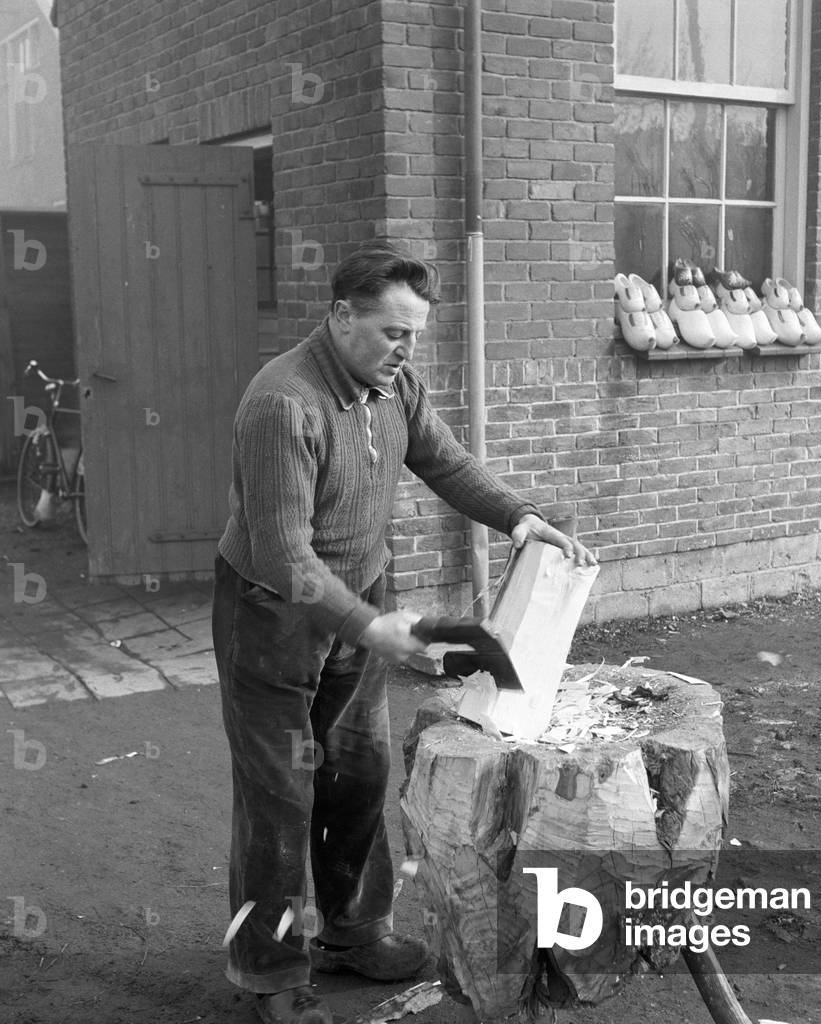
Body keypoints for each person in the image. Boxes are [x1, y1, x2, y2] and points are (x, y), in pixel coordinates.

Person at [211, 240, 597, 1024]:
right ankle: (270, 972)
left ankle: (353, 932)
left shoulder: (394, 386)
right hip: (270, 613)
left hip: (360, 595)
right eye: (393, 332)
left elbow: (445, 461)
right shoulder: (283, 404)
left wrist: (520, 518)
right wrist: (367, 626)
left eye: (414, 334)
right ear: (340, 315)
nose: (405, 349)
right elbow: (284, 554)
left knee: (357, 772)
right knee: (279, 795)